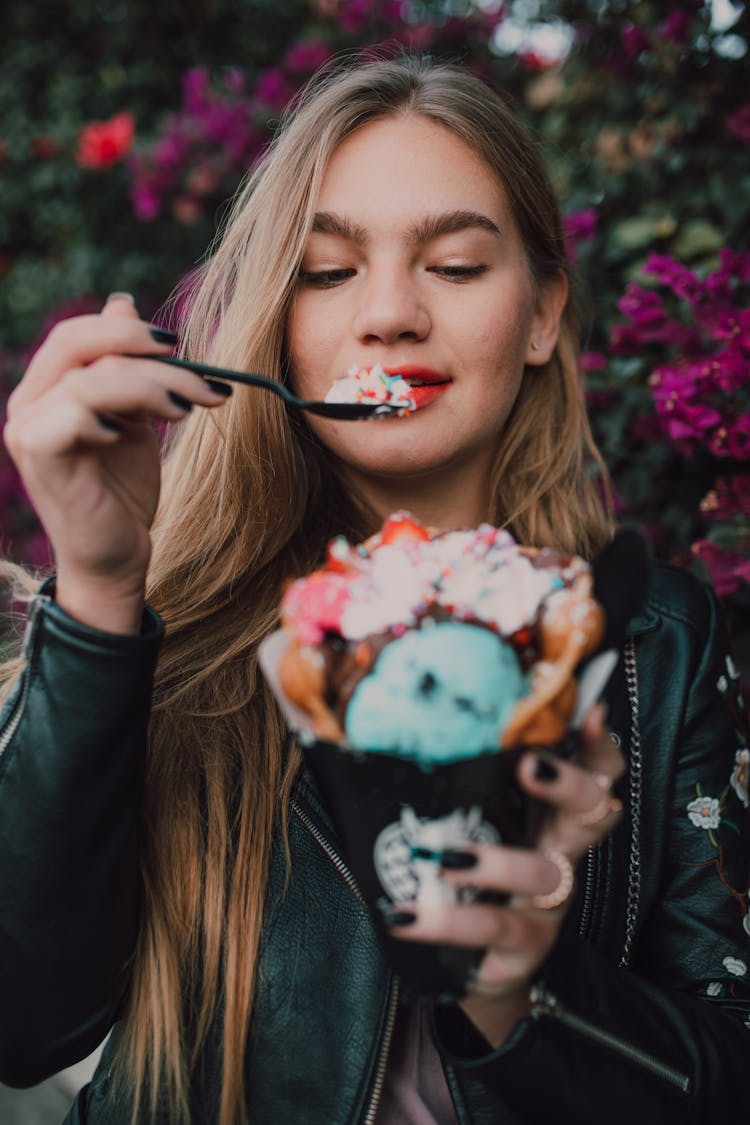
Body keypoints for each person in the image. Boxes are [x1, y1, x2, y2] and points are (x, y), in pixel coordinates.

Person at [0, 54, 748, 1125]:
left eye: (453, 264)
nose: (389, 314)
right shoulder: (176, 636)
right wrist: (104, 586)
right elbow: (23, 1027)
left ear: (541, 315)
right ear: (278, 323)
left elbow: (722, 1077)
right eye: (326, 270)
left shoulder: (653, 648)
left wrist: (514, 980)